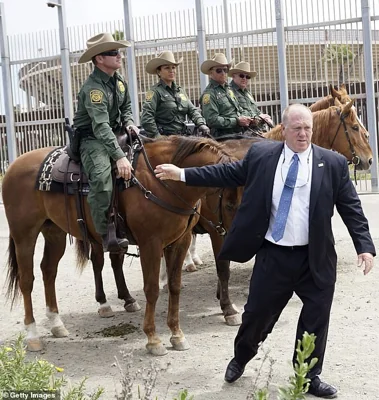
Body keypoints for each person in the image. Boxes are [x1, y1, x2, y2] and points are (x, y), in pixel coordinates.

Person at [153, 103, 375, 398]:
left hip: (316, 258)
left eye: (307, 128)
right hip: (275, 254)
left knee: (316, 318)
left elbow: (351, 207)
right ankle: (241, 357)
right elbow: (225, 173)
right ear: (284, 130)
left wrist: (365, 246)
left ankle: (309, 375)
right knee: (257, 317)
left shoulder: (332, 164)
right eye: (297, 128)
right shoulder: (262, 155)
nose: (303, 133)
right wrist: (182, 174)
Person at [73, 32, 138, 252]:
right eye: (114, 52)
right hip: (93, 140)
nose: (120, 56)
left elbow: (127, 107)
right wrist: (119, 156)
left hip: (117, 133)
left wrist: (129, 123)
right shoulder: (93, 89)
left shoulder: (119, 81)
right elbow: (100, 126)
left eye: (119, 51)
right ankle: (104, 233)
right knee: (101, 178)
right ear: (99, 59)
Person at [140, 51, 210, 137]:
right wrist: (158, 138)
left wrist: (201, 124)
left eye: (173, 67)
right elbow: (147, 118)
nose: (171, 71)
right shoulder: (155, 92)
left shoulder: (180, 91)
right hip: (165, 138)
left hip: (182, 137)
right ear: (159, 72)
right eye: (167, 68)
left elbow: (192, 110)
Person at [199, 53, 252, 138]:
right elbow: (212, 120)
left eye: (225, 70)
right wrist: (236, 121)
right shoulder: (209, 94)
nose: (223, 73)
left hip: (238, 134)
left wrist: (247, 118)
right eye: (219, 70)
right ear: (210, 73)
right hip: (222, 137)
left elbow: (238, 108)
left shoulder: (228, 89)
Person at [229, 61, 273, 133]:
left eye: (247, 77)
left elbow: (255, 109)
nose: (245, 79)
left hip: (255, 130)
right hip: (242, 132)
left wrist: (263, 116)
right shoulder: (229, 91)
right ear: (234, 76)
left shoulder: (247, 93)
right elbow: (237, 112)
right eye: (241, 75)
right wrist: (258, 118)